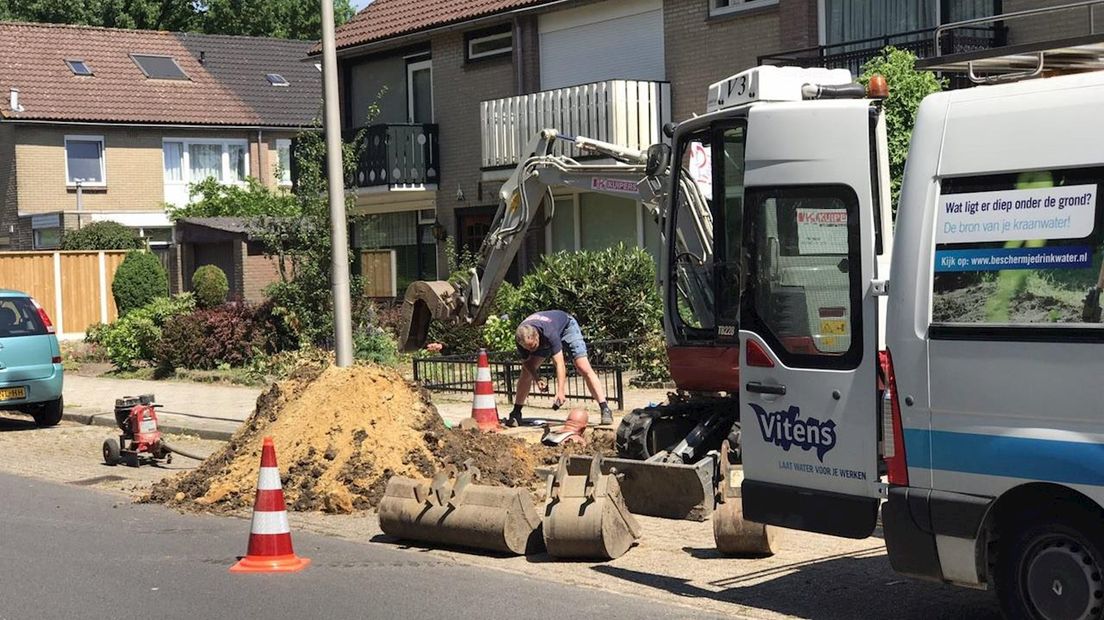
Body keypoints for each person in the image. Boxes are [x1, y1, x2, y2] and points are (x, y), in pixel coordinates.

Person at [508, 310, 614, 427]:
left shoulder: (549, 333)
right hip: (544, 336)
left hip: (567, 327)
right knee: (526, 373)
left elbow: (559, 363)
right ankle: (516, 412)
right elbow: (527, 364)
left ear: (537, 336)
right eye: (528, 348)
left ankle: (605, 409)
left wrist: (560, 391)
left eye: (533, 346)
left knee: (582, 366)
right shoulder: (521, 337)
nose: (532, 350)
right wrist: (537, 379)